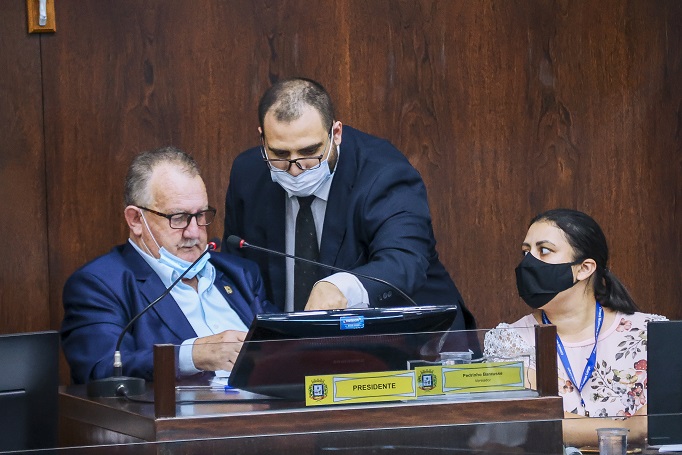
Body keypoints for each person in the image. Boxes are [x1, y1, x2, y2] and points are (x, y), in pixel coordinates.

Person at [222, 77, 475, 331]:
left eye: (309, 152)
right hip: (292, 346)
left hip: (413, 339)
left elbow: (405, 260)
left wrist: (342, 287)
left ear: (336, 134)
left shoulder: (382, 173)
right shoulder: (248, 175)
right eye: (280, 154)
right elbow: (237, 272)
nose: (295, 169)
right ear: (263, 139)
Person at [61, 147, 278, 384]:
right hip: (186, 407)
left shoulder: (240, 274)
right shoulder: (101, 285)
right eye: (179, 218)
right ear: (136, 220)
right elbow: (100, 368)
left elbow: (282, 346)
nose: (194, 232)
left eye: (201, 215)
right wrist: (192, 356)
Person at [484, 208, 667, 446]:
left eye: (544, 250)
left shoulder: (649, 333)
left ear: (584, 268)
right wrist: (628, 429)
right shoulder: (508, 341)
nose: (528, 262)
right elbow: (534, 421)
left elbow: (667, 418)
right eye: (526, 252)